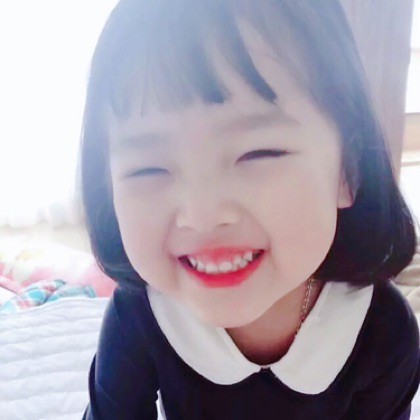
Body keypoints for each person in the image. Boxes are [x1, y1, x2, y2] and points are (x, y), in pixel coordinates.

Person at [79, 0, 420, 418]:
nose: (202, 215)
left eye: (259, 153)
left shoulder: (382, 330)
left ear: (347, 171)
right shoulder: (138, 314)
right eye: (148, 168)